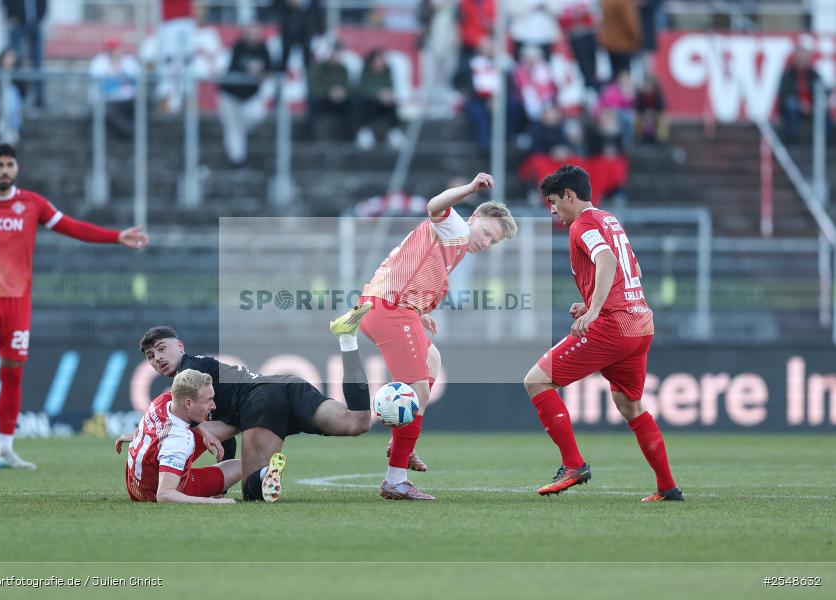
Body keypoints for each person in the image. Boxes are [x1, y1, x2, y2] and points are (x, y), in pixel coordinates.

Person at [0, 144, 149, 470]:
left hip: (17, 304)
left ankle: (4, 451)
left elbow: (72, 226)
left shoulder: (31, 203)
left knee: (12, 375)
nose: (4, 170)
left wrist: (115, 236)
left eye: (9, 164)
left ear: (16, 168)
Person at [336, 173, 517, 501]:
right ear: (476, 218)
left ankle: (401, 441)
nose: (486, 242)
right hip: (389, 308)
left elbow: (407, 268)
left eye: (493, 242)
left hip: (388, 306)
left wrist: (420, 312)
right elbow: (434, 205)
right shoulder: (457, 228)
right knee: (417, 388)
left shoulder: (456, 243)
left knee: (433, 360)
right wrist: (469, 189)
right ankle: (395, 478)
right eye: (488, 233)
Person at [524, 164, 682, 502]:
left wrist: (595, 310)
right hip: (640, 322)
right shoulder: (609, 219)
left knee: (536, 380)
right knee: (631, 406)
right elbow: (632, 268)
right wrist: (593, 301)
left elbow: (607, 261)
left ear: (569, 194)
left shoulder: (582, 224)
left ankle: (573, 465)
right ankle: (668, 487)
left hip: (613, 326)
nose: (552, 210)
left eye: (553, 201)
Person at [131, 305, 373, 501]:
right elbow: (222, 435)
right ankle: (347, 339)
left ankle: (267, 472)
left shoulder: (189, 373)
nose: (158, 358)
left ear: (180, 346)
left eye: (162, 349)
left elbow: (178, 421)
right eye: (151, 356)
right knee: (356, 421)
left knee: (253, 492)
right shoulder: (200, 373)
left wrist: (144, 435)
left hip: (261, 399)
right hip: (285, 385)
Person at [117, 369, 252, 504]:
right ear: (188, 403)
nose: (213, 406)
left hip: (137, 485)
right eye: (209, 400)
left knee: (233, 454)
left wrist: (138, 436)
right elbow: (164, 495)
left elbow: (160, 429)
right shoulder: (179, 440)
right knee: (244, 466)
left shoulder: (162, 400)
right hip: (158, 491)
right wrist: (214, 502)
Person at [218, 23, 271, 167]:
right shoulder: (237, 47)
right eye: (250, 32)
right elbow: (231, 68)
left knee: (254, 117)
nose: (253, 35)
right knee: (232, 128)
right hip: (230, 94)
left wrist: (260, 72)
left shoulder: (263, 49)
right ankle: (237, 161)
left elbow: (269, 70)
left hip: (249, 97)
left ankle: (238, 153)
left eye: (255, 32)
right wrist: (248, 70)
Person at [352, 48, 404, 151]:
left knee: (392, 103)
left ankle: (394, 133)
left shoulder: (388, 72)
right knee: (363, 101)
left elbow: (390, 86)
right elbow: (363, 88)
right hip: (370, 102)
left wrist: (387, 95)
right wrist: (378, 94)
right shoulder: (365, 71)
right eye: (378, 60)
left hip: (384, 102)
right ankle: (365, 132)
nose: (380, 63)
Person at [89, 38, 139, 139]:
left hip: (128, 100)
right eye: (111, 50)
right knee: (108, 112)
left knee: (144, 102)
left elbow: (135, 80)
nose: (114, 52)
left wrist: (120, 68)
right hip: (108, 100)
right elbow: (101, 84)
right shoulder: (99, 62)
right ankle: (134, 134)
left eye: (115, 49)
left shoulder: (129, 61)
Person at [2, 0, 47, 107]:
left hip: (34, 23)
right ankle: (18, 97)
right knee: (14, 62)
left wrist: (41, 16)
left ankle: (39, 97)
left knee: (37, 63)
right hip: (18, 23)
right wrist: (10, 14)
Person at [157, 0, 196, 114]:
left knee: (187, 59)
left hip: (186, 19)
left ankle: (186, 98)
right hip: (169, 20)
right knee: (168, 60)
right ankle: (166, 98)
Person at [599, 0, 642, 81]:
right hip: (624, 43)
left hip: (610, 43)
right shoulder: (623, 2)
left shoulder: (605, 2)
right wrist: (636, 38)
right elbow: (629, 22)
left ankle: (615, 93)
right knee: (624, 75)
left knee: (615, 74)